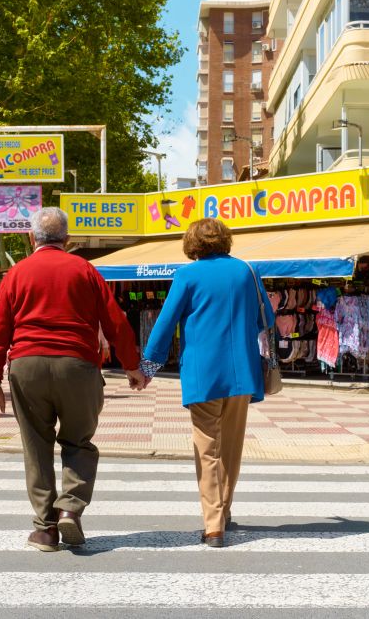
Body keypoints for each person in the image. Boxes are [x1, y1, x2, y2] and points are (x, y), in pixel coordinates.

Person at [0, 207, 145, 552]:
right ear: (67, 239)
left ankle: (45, 529)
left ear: (31, 238)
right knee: (78, 443)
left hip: (27, 367)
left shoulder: (16, 273)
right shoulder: (84, 270)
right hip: (77, 367)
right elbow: (115, 322)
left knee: (37, 448)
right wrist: (132, 366)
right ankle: (70, 508)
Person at [140, 218, 272, 549]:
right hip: (242, 373)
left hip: (203, 375)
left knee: (207, 449)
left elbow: (165, 322)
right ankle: (223, 512)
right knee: (231, 448)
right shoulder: (247, 271)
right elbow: (266, 320)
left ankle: (213, 526)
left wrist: (147, 368)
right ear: (224, 240)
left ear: (193, 243)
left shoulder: (187, 275)